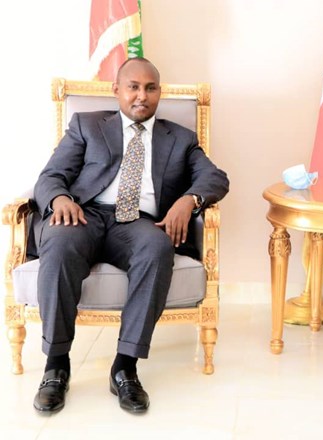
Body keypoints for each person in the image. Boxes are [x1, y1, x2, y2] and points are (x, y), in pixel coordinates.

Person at [31, 57, 229, 414]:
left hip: (138, 223)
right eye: (133, 87)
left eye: (150, 88)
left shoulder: (180, 138)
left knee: (157, 247)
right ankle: (56, 365)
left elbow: (215, 177)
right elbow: (50, 176)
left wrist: (189, 199)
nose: (142, 95)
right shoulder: (86, 125)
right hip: (84, 215)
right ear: (117, 91)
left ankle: (125, 367)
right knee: (59, 244)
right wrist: (60, 198)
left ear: (159, 92)